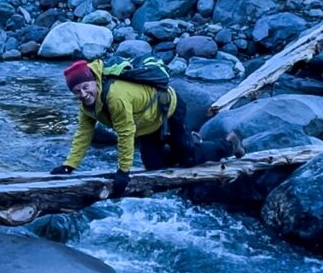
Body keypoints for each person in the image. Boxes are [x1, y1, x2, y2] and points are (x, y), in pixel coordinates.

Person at [50, 59, 240, 198]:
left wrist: (123, 172)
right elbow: (83, 134)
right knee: (154, 168)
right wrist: (69, 166)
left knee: (189, 157)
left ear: (94, 81)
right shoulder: (87, 106)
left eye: (85, 87)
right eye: (77, 91)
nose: (83, 93)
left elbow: (125, 132)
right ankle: (183, 146)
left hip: (168, 109)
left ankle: (229, 144)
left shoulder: (115, 96)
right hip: (146, 123)